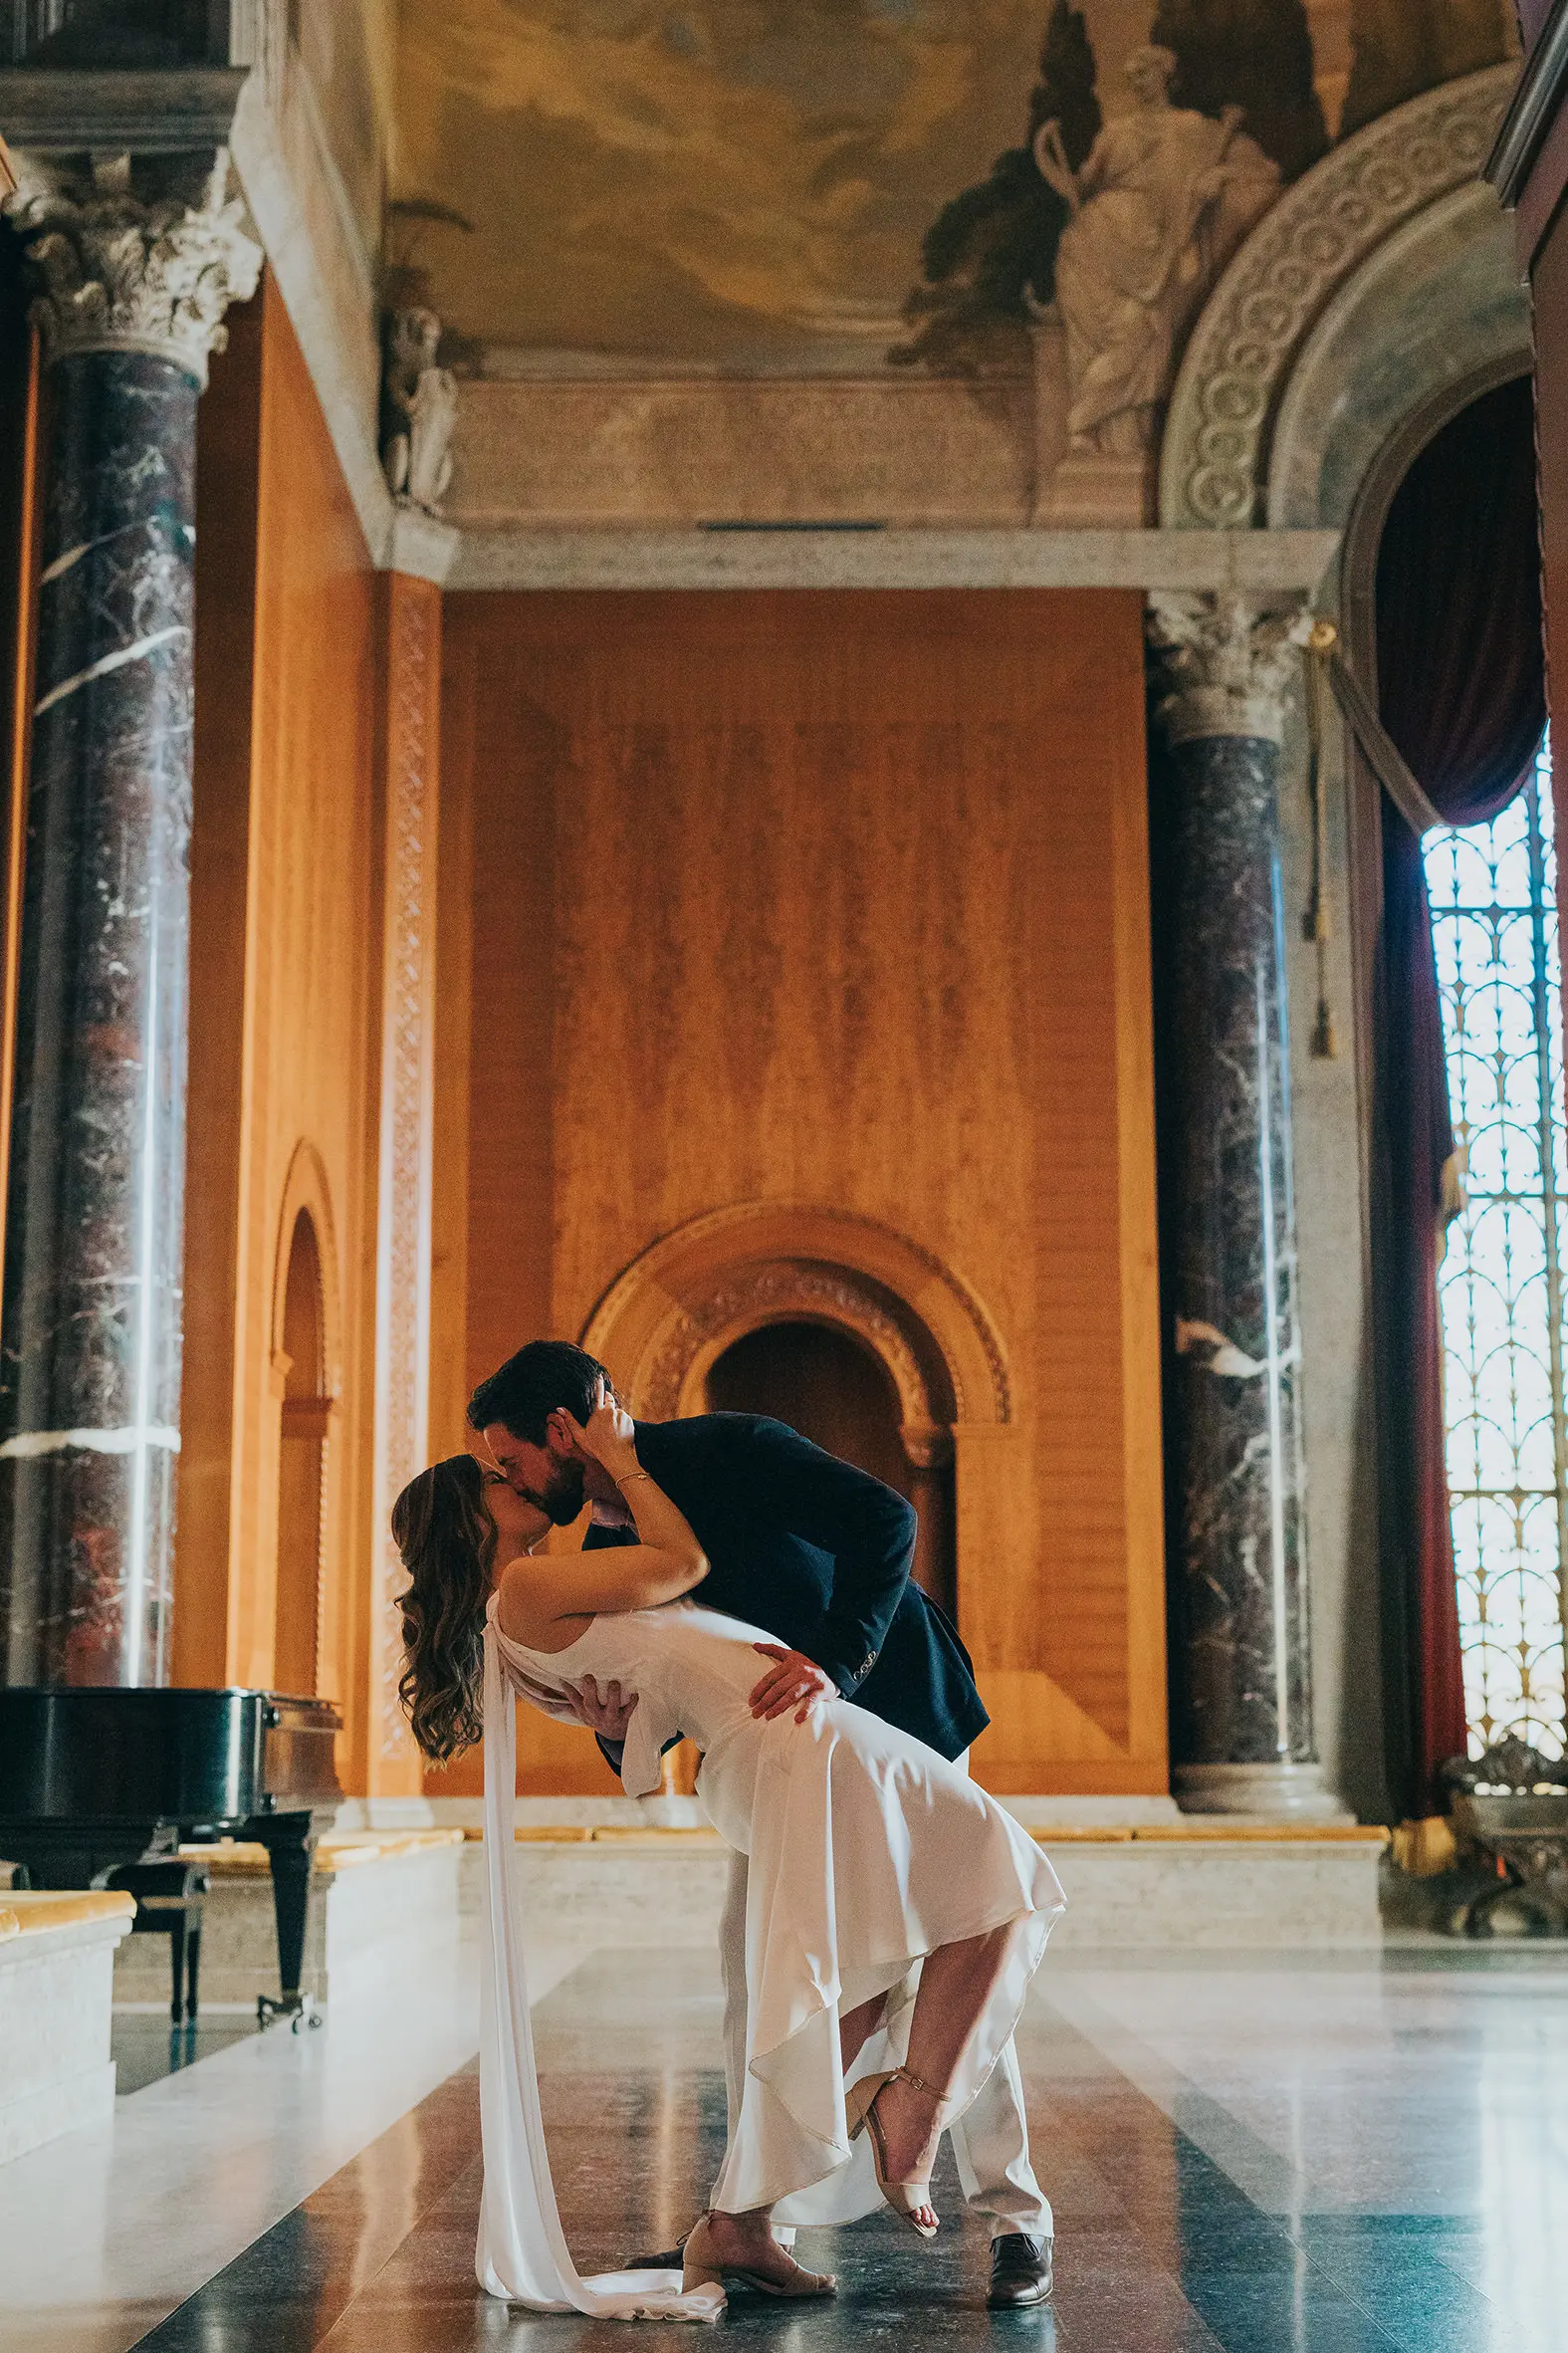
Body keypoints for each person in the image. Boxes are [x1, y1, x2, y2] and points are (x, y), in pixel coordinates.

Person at [394, 1392, 1064, 2318]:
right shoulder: (587, 1555)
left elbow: (886, 1521)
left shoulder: (728, 1449)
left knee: (949, 1926)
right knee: (766, 1975)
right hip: (780, 1750)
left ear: (560, 1429)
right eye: (494, 1477)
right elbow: (642, 1678)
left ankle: (1010, 2217)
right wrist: (614, 1728)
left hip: (890, 1694)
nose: (511, 1476)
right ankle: (752, 2216)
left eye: (509, 1457)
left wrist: (834, 1658)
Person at [1032, 44, 1278, 453]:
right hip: (1100, 248)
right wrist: (1056, 167)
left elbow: (1264, 171)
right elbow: (1081, 187)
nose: (1137, 83)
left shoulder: (1194, 129)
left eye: (1144, 74)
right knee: (1110, 335)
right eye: (1132, 77)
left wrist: (1221, 172)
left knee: (1145, 334)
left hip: (1163, 248)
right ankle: (1099, 435)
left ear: (1165, 76)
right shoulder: (1115, 134)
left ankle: (1099, 426)